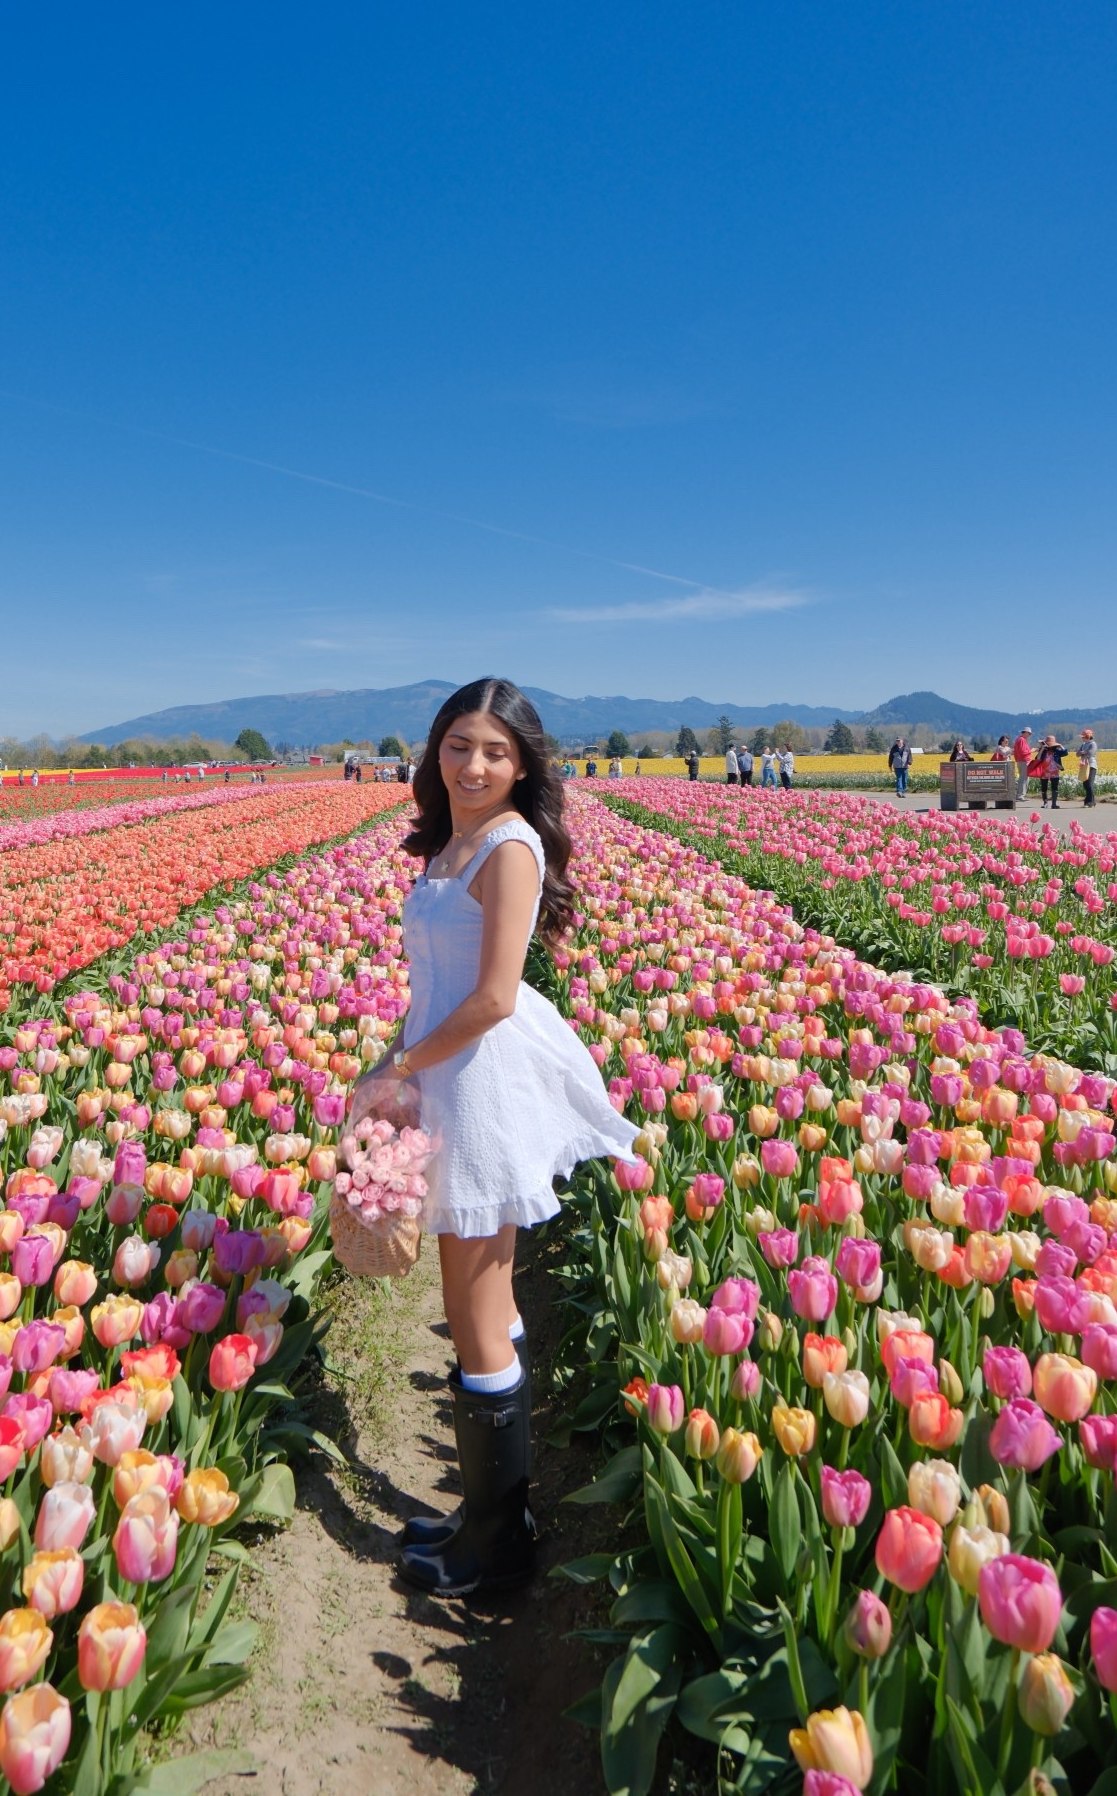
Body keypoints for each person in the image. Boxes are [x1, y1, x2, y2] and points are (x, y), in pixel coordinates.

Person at [349, 679, 639, 1598]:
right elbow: (436, 986)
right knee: (485, 1291)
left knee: (472, 1305)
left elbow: (493, 998)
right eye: (458, 746)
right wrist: (389, 1058)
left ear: (524, 764)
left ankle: (499, 1549)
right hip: (445, 1064)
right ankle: (484, 1518)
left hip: (477, 1083)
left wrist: (404, 1071)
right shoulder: (451, 844)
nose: (473, 766)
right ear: (434, 751)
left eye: (495, 752)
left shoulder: (509, 847)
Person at [1031, 735, 1066, 809]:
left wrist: (1060, 745)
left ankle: (1054, 804)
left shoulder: (1056, 751)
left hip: (1054, 771)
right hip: (1044, 771)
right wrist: (1042, 749)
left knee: (1054, 787)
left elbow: (1065, 753)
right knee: (1044, 787)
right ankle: (1045, 803)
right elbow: (1038, 758)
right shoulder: (1043, 751)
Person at [1077, 728, 1098, 807]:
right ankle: (1091, 801)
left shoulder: (1093, 744)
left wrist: (1083, 752)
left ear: (1088, 737)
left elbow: (1090, 753)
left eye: (1083, 737)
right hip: (1084, 765)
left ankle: (1090, 802)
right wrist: (1083, 752)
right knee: (1085, 784)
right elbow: (1077, 754)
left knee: (1089, 783)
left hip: (1091, 765)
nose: (1082, 738)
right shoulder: (1083, 745)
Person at [1012, 727, 1034, 802]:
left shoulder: (1019, 739)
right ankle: (1020, 795)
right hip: (1024, 761)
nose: (1029, 735)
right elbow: (1023, 752)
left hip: (1020, 760)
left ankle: (1021, 795)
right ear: (1025, 732)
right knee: (1024, 778)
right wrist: (1032, 751)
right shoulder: (1022, 740)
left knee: (1024, 778)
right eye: (1029, 733)